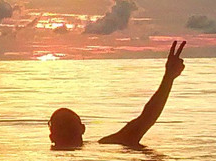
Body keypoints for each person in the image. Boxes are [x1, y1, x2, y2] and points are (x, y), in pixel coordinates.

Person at [48, 40, 186, 149]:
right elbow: (145, 119)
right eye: (61, 126)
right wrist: (168, 78)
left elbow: (146, 118)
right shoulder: (110, 145)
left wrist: (168, 78)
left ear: (51, 136)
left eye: (66, 125)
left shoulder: (108, 145)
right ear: (82, 128)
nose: (65, 131)